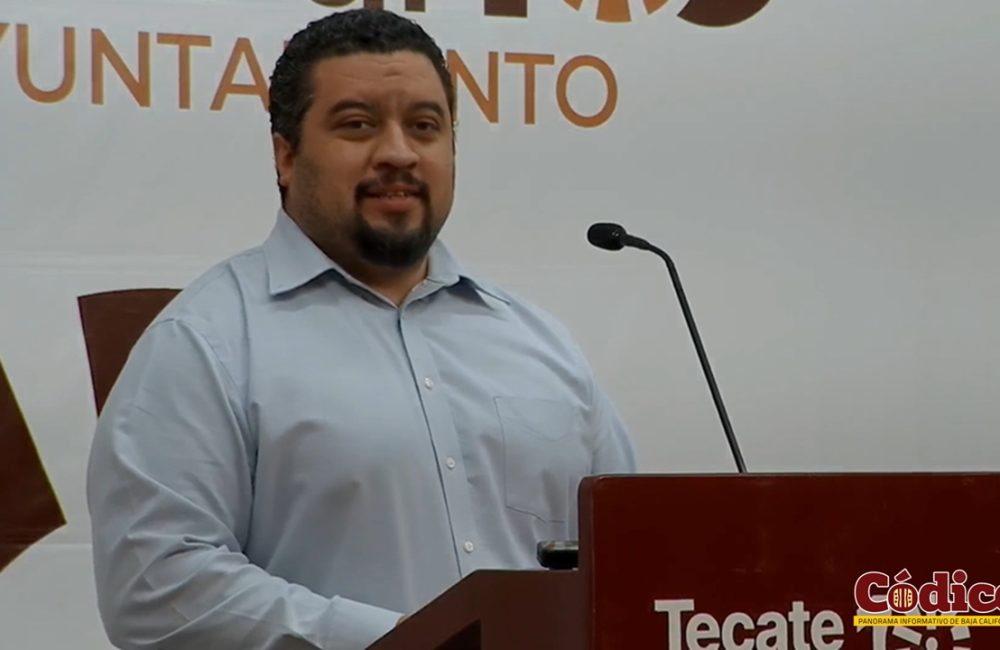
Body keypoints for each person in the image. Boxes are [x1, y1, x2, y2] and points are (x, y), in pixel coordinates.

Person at [86, 8, 636, 650]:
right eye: (358, 125)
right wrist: (412, 642)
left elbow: (633, 556)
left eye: (425, 126)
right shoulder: (205, 343)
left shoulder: (539, 344)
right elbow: (157, 587)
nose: (399, 153)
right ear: (285, 155)